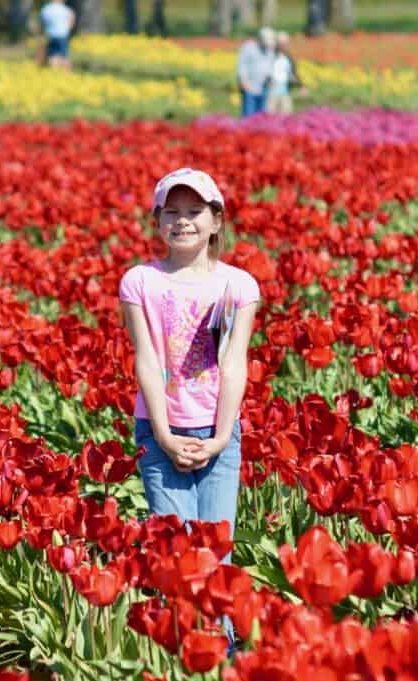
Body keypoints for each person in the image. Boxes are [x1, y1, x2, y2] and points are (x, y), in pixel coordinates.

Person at [119, 168, 259, 650]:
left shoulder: (238, 286)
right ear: (157, 221)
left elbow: (235, 364)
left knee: (216, 554)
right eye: (171, 213)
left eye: (194, 212)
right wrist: (161, 433)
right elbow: (147, 360)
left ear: (217, 220)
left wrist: (221, 438)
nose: (182, 222)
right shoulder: (140, 281)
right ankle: (186, 651)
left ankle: (220, 654)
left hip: (218, 432)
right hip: (160, 432)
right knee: (176, 552)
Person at [237, 27, 276, 117]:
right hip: (249, 86)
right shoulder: (248, 48)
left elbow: (270, 66)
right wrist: (243, 80)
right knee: (248, 113)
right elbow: (242, 65)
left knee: (261, 115)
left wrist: (270, 79)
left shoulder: (270, 50)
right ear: (260, 39)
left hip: (263, 87)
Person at [267, 31, 305, 114]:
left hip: (284, 89)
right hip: (271, 89)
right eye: (281, 44)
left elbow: (293, 71)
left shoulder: (287, 56)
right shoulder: (270, 55)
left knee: (286, 112)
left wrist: (301, 85)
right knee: (270, 113)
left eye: (285, 44)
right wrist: (268, 81)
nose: (283, 46)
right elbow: (266, 70)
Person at [39, 0, 75, 70]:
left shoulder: (46, 8)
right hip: (63, 35)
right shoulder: (65, 9)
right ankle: (66, 74)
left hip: (51, 35)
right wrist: (67, 28)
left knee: (53, 55)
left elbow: (42, 22)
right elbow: (71, 21)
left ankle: (54, 72)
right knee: (64, 56)